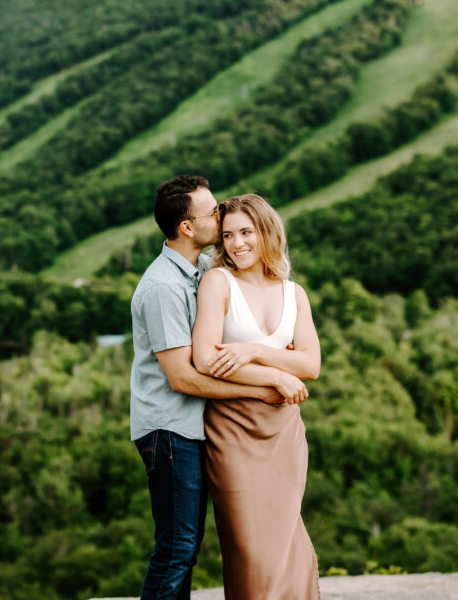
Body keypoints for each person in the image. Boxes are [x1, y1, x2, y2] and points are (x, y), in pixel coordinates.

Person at [130, 177, 292, 600]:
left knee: (187, 546)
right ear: (187, 227)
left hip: (196, 428)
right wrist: (263, 388)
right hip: (169, 430)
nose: (221, 217)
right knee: (176, 547)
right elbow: (183, 377)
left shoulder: (202, 270)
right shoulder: (163, 287)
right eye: (213, 212)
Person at [191, 193, 322, 599]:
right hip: (232, 433)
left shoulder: (293, 293)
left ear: (267, 232)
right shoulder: (218, 282)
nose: (236, 244)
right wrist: (277, 376)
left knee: (288, 546)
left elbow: (311, 365)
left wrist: (253, 352)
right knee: (251, 551)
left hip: (284, 435)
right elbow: (205, 359)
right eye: (228, 235)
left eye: (246, 232)